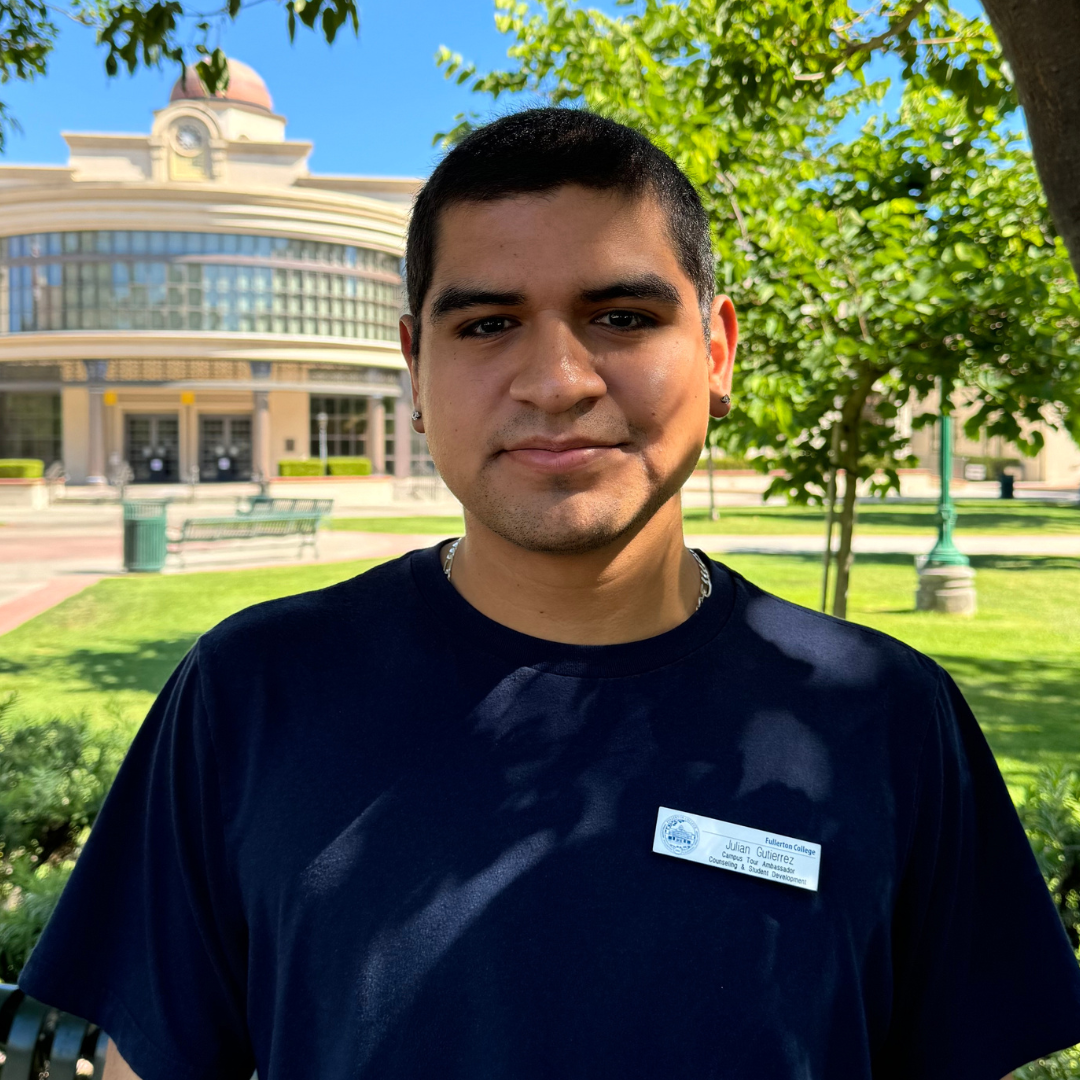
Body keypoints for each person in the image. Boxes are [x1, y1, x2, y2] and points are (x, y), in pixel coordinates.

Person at [18, 108, 1080, 1080]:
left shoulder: (884, 717)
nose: (558, 380)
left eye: (620, 316)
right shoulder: (251, 696)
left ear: (716, 351)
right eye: (486, 325)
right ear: (414, 370)